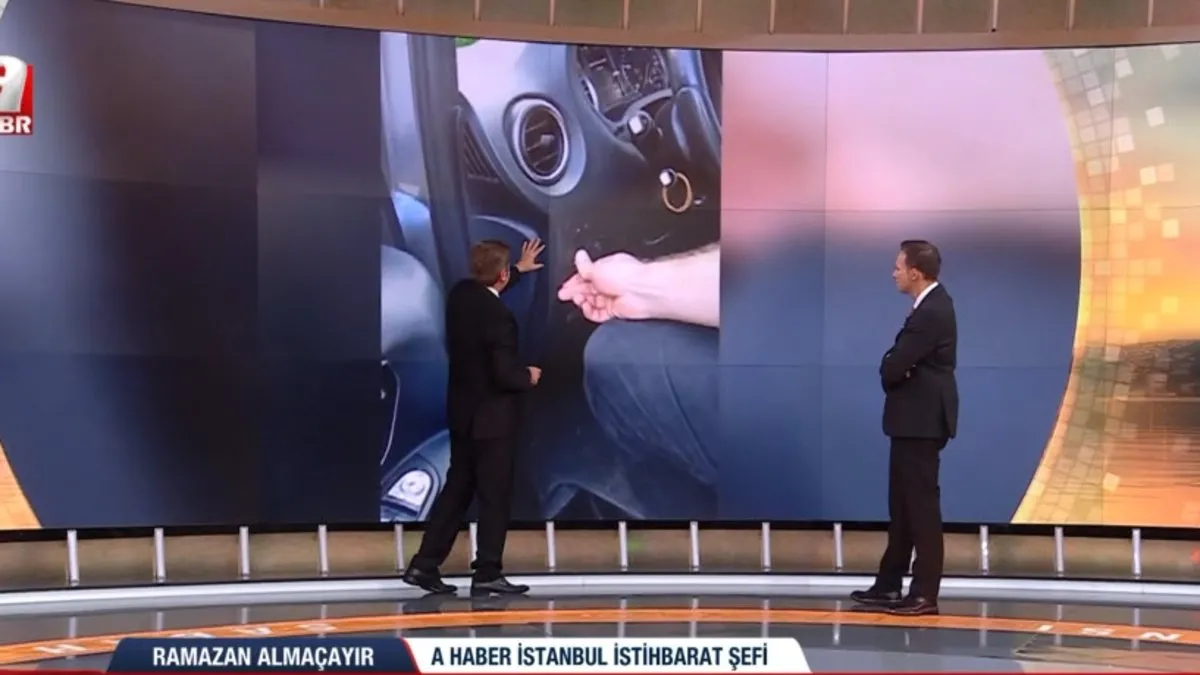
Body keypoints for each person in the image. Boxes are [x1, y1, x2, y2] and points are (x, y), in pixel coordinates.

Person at [401, 239, 545, 596]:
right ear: (501, 274)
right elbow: (504, 375)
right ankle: (487, 572)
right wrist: (528, 376)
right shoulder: (500, 318)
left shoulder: (460, 296)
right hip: (493, 422)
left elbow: (486, 286)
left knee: (457, 491)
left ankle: (424, 565)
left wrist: (518, 270)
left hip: (463, 417)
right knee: (494, 497)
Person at [851, 240, 957, 617]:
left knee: (921, 508)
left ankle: (924, 593)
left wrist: (896, 367)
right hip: (911, 421)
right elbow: (898, 364)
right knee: (902, 505)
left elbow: (893, 366)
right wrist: (897, 366)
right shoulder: (927, 307)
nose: (893, 273)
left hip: (921, 422)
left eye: (898, 267)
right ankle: (889, 584)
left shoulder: (932, 311)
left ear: (915, 272)